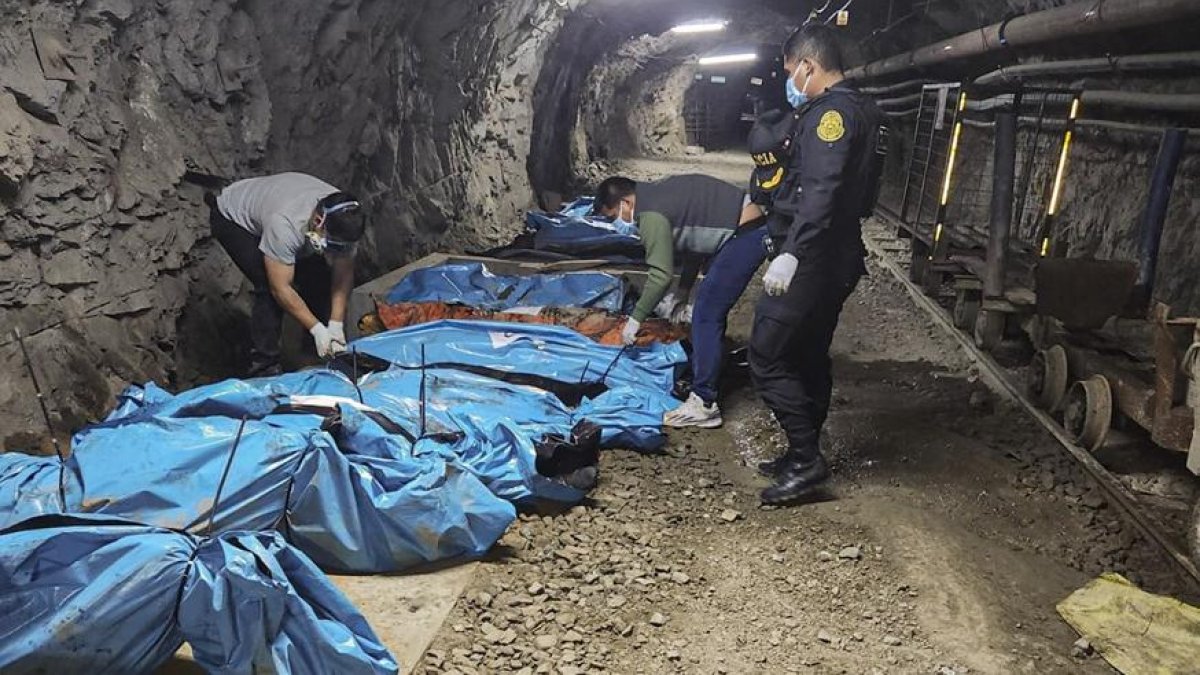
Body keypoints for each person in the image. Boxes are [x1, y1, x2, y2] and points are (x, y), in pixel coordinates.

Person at [750, 25, 887, 504]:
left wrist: (791, 252)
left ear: (807, 66)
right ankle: (800, 451)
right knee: (806, 353)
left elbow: (821, 191)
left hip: (815, 253)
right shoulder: (860, 107)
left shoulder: (832, 115)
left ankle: (807, 461)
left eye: (791, 70)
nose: (789, 80)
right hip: (836, 251)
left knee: (766, 353)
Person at [592, 174, 766, 428]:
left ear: (625, 204)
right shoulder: (656, 195)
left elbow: (660, 275)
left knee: (706, 313)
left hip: (747, 232)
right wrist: (683, 291)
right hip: (743, 226)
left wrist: (635, 318)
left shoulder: (650, 214)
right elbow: (694, 243)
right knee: (705, 307)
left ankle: (704, 402)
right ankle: (711, 367)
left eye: (612, 216)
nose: (616, 223)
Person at [209, 172, 366, 376]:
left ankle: (318, 353)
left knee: (319, 277)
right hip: (233, 219)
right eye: (332, 246)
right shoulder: (284, 224)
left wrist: (335, 324)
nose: (334, 253)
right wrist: (317, 329)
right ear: (319, 221)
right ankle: (264, 368)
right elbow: (280, 288)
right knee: (267, 287)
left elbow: (342, 274)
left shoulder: (345, 217)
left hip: (289, 214)